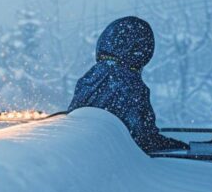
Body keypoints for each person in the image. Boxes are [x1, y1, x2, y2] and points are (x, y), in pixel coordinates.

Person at [68, 16, 190, 153]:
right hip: (113, 161)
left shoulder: (90, 77)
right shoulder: (131, 85)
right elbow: (144, 139)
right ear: (142, 50)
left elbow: (73, 117)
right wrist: (181, 146)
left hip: (85, 154)